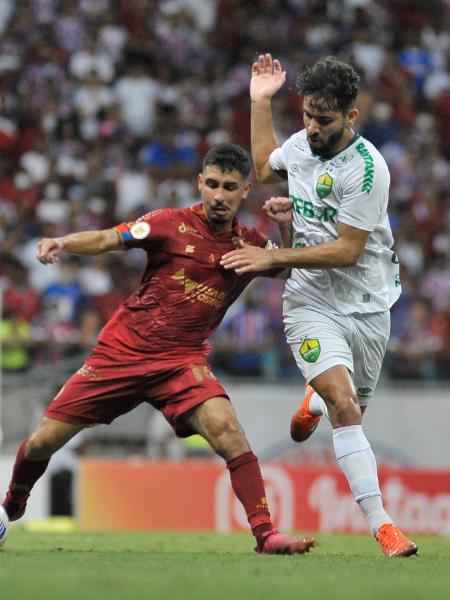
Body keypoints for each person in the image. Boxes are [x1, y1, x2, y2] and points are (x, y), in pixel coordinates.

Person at [0, 143, 313, 556]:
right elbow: (111, 237)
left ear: (245, 191)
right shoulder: (170, 225)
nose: (219, 195)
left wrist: (286, 227)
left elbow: (286, 266)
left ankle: (266, 535)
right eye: (213, 184)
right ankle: (9, 508)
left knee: (229, 433)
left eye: (230, 187)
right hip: (121, 353)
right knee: (42, 442)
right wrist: (64, 241)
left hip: (181, 362)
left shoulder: (250, 245)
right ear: (200, 183)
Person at [221, 55, 418, 558]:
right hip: (310, 301)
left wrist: (277, 253)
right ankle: (384, 527)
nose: (311, 127)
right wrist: (259, 101)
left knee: (348, 407)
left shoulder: (368, 169)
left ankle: (314, 398)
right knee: (346, 407)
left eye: (323, 119)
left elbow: (348, 250)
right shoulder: (302, 146)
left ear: (351, 117)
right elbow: (265, 167)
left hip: (369, 305)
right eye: (307, 114)